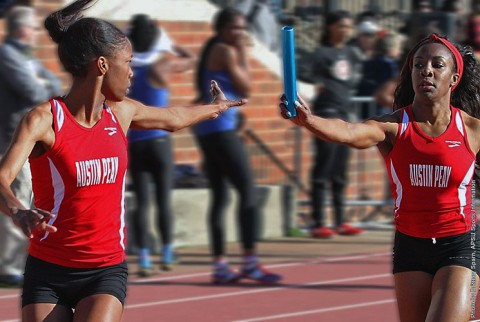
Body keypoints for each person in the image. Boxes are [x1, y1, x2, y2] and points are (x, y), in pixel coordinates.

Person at [0, 0, 245, 321]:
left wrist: (215, 107)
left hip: (104, 270)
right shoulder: (45, 120)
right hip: (49, 270)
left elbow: (172, 117)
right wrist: (19, 211)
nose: (132, 72)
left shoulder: (121, 112)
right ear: (102, 65)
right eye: (127, 62)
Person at [280, 33, 480, 322]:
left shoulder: (471, 130)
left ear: (454, 77)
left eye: (438, 65)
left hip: (460, 244)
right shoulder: (394, 127)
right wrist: (309, 120)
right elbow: (349, 132)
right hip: (410, 245)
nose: (427, 70)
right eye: (418, 65)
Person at [193, 7, 281, 284]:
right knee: (248, 192)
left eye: (243, 29)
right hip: (220, 129)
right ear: (222, 30)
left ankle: (220, 265)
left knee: (220, 196)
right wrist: (243, 51)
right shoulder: (227, 51)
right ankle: (249, 262)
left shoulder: (215, 48)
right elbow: (246, 87)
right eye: (235, 28)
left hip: (211, 126)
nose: (241, 33)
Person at [125, 14, 196, 276]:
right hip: (160, 141)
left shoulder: (126, 72)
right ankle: (166, 253)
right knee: (163, 200)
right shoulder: (163, 65)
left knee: (142, 202)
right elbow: (192, 60)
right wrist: (171, 43)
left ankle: (143, 258)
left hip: (136, 142)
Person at [0, 5, 62, 288]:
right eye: (34, 28)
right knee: (18, 201)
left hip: (30, 142)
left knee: (35, 198)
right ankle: (8, 266)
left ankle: (26, 259)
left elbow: (53, 84)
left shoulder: (27, 57)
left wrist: (43, 82)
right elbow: (35, 91)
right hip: (10, 141)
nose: (37, 33)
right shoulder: (7, 55)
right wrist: (42, 83)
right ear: (21, 29)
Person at [308, 10, 364, 238]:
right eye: (341, 26)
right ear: (330, 27)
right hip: (326, 113)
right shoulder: (321, 53)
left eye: (348, 27)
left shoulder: (351, 53)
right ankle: (318, 222)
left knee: (340, 170)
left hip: (345, 115)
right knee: (324, 167)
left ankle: (340, 220)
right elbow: (301, 71)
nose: (345, 30)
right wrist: (316, 84)